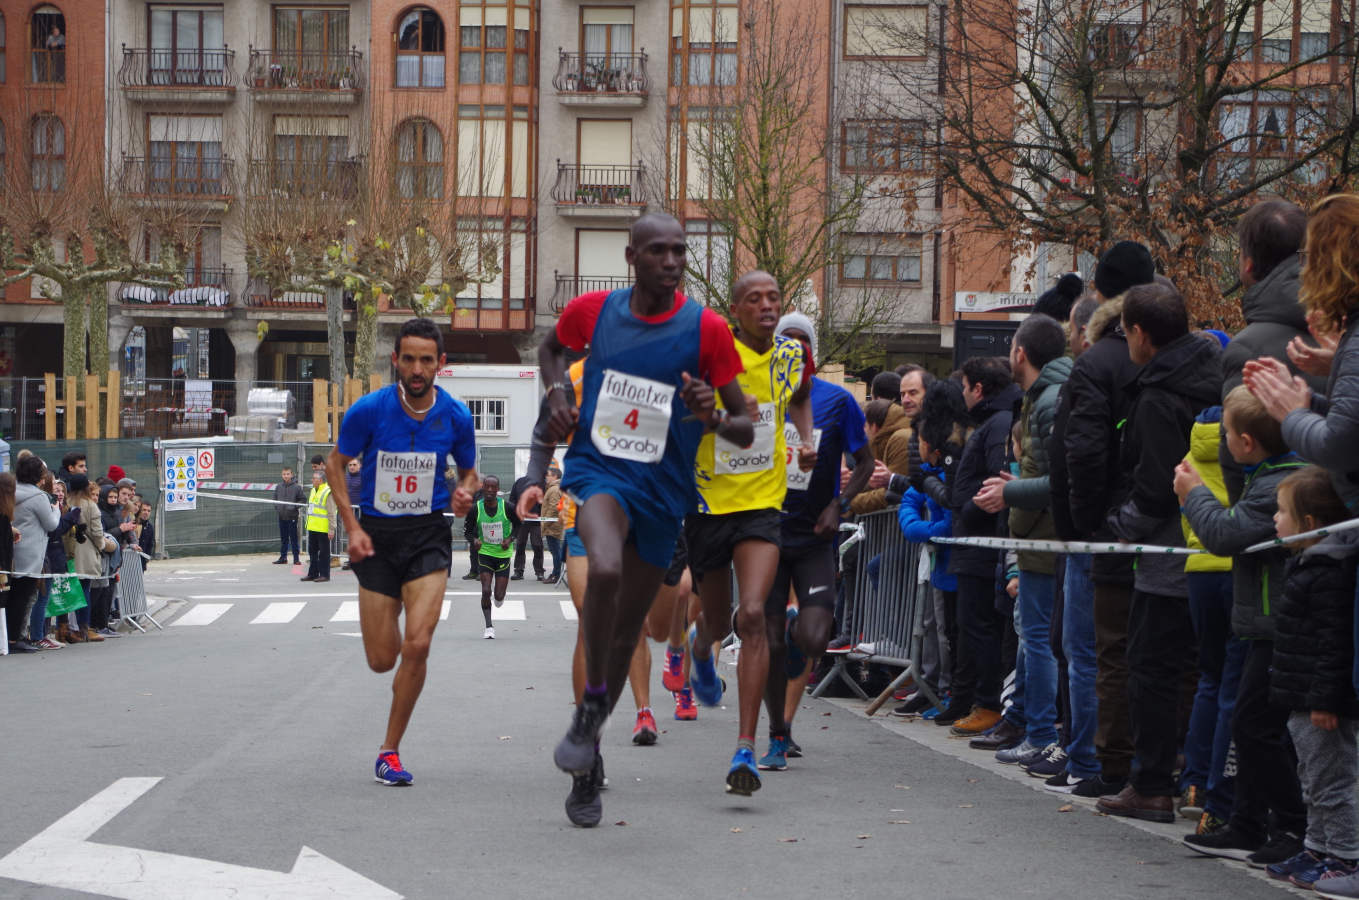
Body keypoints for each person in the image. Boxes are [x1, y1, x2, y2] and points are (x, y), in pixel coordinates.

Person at [532, 212, 752, 827]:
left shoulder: (707, 329)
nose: (672, 261)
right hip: (601, 472)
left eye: (680, 251)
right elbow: (549, 349)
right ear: (631, 258)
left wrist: (712, 415)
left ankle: (588, 749)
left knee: (630, 630)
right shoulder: (596, 312)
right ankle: (590, 715)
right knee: (602, 570)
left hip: (664, 493)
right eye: (658, 251)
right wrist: (557, 394)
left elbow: (744, 427)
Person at [325, 317, 479, 787]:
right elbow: (334, 465)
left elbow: (470, 472)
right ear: (395, 360)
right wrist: (352, 527)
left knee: (419, 644)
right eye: (408, 359)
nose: (416, 369)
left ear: (440, 363)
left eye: (426, 360)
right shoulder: (369, 411)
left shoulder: (455, 416)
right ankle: (390, 607)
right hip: (376, 537)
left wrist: (465, 493)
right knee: (381, 660)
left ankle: (389, 751)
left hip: (428, 535)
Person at [1094, 281, 1221, 823]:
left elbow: (1152, 489)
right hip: (1221, 547)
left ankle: (1150, 784)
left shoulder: (1157, 397)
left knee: (1150, 669)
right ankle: (1198, 782)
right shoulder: (1217, 374)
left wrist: (1117, 527)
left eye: (1126, 334)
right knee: (1205, 674)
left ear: (1141, 334)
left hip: (1168, 553)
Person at [685, 270, 816, 797]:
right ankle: (700, 648)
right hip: (709, 504)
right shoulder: (712, 354)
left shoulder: (791, 355)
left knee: (755, 614)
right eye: (754, 299)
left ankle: (745, 747)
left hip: (762, 502)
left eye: (774, 298)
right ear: (735, 310)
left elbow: (800, 395)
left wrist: (805, 439)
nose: (767, 307)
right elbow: (683, 415)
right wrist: (721, 415)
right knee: (718, 622)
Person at [1177, 385, 1308, 858]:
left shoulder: (1277, 485)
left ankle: (1291, 826)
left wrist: (1193, 494)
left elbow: (1224, 533)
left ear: (1246, 442)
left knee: (1256, 727)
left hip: (1278, 626)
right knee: (1249, 726)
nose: (1224, 442)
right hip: (1262, 623)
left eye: (1227, 434)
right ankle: (1247, 823)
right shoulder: (1268, 476)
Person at [1053, 242, 1156, 798]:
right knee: (1148, 654)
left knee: (1099, 651)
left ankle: (1099, 761)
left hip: (1107, 530)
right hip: (1159, 522)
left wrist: (1083, 523)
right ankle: (1149, 766)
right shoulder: (1172, 351)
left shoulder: (1098, 363)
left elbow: (1080, 452)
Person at [757, 312, 873, 770]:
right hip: (765, 535)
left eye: (801, 341)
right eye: (784, 340)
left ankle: (795, 633)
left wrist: (839, 505)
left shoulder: (837, 401)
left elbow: (865, 462)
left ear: (813, 351)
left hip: (813, 537)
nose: (793, 348)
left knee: (813, 635)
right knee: (768, 643)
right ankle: (777, 734)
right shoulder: (757, 396)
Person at [973, 314, 1072, 768]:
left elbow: (1058, 480)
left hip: (1045, 541)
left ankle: (1040, 733)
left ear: (1021, 353)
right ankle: (1029, 726)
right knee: (1037, 640)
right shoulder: (1041, 397)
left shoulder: (1049, 399)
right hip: (1037, 539)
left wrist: (1010, 493)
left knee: (1039, 641)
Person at [1265, 467, 1359, 892]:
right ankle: (1317, 848)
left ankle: (1345, 855)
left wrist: (1325, 699)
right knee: (1312, 777)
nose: (1274, 519)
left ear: (1309, 523)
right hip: (1301, 695)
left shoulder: (1330, 573)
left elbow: (1334, 643)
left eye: (1281, 512)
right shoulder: (1308, 563)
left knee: (1331, 781)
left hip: (1320, 701)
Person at [934, 355, 1021, 735]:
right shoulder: (991, 422)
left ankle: (989, 703)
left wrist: (967, 509)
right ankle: (982, 701)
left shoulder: (997, 423)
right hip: (975, 542)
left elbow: (995, 483)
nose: (963, 395)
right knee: (973, 625)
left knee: (980, 626)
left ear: (979, 389)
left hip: (982, 545)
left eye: (966, 387)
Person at [1174, 404, 1242, 834]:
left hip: (1199, 567)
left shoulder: (1191, 453)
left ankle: (1194, 783)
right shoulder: (1251, 443)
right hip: (1239, 568)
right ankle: (1221, 790)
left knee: (1209, 678)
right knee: (1233, 684)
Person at [890, 380, 970, 717]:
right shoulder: (928, 472)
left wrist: (930, 532)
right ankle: (937, 687)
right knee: (939, 627)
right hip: (940, 563)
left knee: (952, 631)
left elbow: (950, 518)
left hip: (954, 562)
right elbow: (911, 499)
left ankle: (951, 692)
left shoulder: (950, 466)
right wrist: (919, 529)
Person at [9, 456, 60, 651]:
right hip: (30, 553)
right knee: (23, 599)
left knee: (13, 597)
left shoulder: (12, 491)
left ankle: (13, 637)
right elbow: (51, 524)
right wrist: (56, 510)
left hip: (13, 550)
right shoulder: (38, 497)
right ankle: (16, 639)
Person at [464, 474, 517, 638]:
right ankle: (489, 627)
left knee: (499, 596)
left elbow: (520, 525)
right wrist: (474, 540)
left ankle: (499, 598)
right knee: (486, 590)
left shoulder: (507, 507)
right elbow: (467, 531)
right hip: (485, 553)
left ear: (498, 490)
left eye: (493, 487)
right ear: (483, 488)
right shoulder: (475, 508)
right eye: (487, 486)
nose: (489, 490)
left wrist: (510, 539)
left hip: (503, 554)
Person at [64, 475, 116, 643]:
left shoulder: (66, 502)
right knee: (85, 589)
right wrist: (102, 546)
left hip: (67, 550)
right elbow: (97, 532)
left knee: (68, 590)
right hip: (85, 550)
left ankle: (65, 628)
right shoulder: (90, 505)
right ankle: (84, 627)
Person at [508, 474, 545, 581]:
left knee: (537, 545)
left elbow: (544, 502)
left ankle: (539, 572)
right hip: (521, 521)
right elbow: (512, 500)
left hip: (536, 521)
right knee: (520, 545)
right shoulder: (519, 482)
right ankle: (518, 571)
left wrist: (542, 516)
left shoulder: (541, 483)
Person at [301, 469, 335, 584]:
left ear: (320, 480)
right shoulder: (313, 490)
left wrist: (331, 529)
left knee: (324, 553)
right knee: (312, 552)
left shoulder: (327, 492)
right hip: (313, 527)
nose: (312, 480)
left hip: (323, 528)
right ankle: (313, 573)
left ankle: (324, 574)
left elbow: (331, 512)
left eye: (314, 478)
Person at [272, 467, 303, 564]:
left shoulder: (297, 487)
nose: (286, 476)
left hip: (292, 517)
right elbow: (274, 498)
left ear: (291, 475)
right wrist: (278, 508)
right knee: (284, 538)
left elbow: (303, 500)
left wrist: (294, 507)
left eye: (288, 474)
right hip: (282, 517)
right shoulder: (278, 486)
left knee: (294, 538)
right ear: (282, 475)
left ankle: (296, 559)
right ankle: (283, 558)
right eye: (284, 474)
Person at [541, 467, 564, 584]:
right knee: (555, 550)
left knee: (555, 551)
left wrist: (545, 523)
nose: (546, 477)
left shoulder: (554, 489)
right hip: (553, 524)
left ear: (555, 476)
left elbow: (554, 508)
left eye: (548, 475)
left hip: (552, 525)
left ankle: (556, 574)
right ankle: (556, 573)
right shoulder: (554, 488)